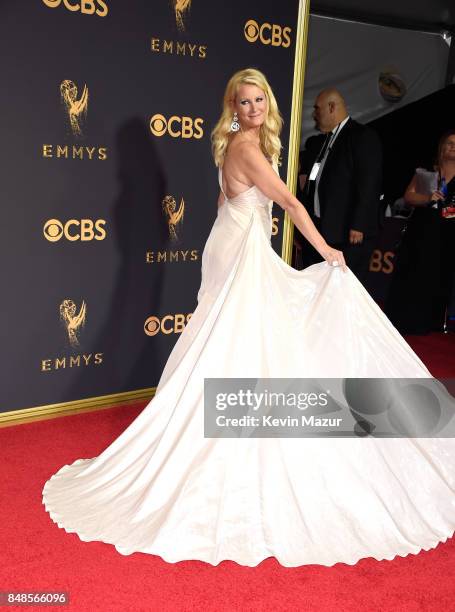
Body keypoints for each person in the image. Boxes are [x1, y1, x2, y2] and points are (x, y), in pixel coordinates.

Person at [42, 69, 455, 568]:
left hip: (234, 244)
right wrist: (326, 250)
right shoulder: (245, 148)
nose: (254, 108)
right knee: (241, 338)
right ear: (233, 107)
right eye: (245, 101)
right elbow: (289, 201)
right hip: (240, 254)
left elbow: (225, 200)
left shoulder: (238, 145)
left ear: (268, 104)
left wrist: (246, 220)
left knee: (235, 338)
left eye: (260, 99)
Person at [300, 88, 383, 284]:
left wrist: (359, 224)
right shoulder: (323, 140)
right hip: (324, 228)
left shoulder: (362, 136)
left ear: (331, 107)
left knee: (345, 287)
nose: (314, 114)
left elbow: (370, 182)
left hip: (348, 231)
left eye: (317, 109)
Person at [385, 130, 455, 334]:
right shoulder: (427, 173)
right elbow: (408, 196)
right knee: (411, 271)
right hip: (421, 230)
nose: (452, 146)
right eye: (449, 143)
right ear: (442, 147)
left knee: (438, 275)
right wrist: (427, 199)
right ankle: (401, 319)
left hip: (448, 235)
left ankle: (429, 322)